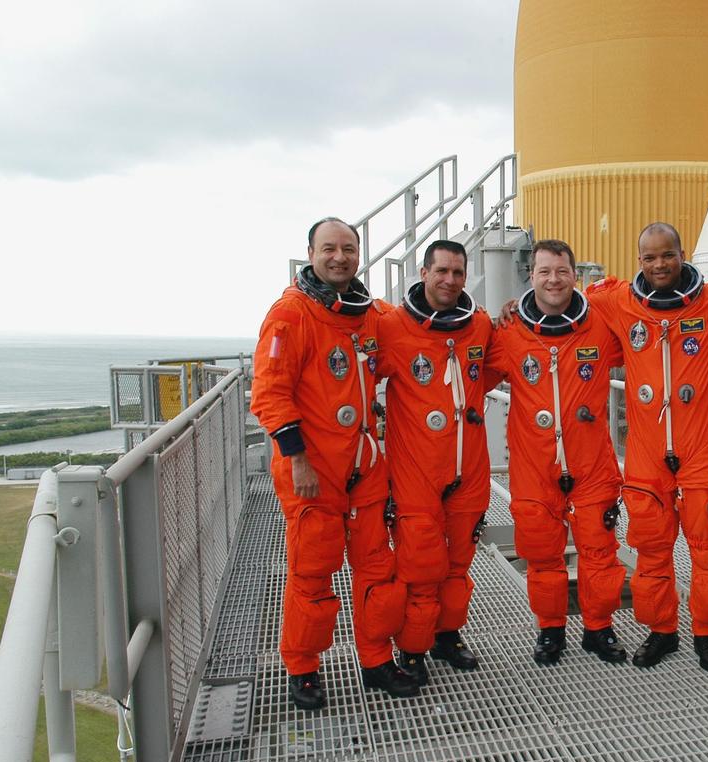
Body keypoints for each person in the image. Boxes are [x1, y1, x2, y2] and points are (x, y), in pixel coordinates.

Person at [251, 217, 417, 710]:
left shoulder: (368, 316)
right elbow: (269, 392)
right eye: (330, 248)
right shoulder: (290, 315)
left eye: (348, 248)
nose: (339, 257)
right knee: (312, 571)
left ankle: (375, 659)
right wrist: (296, 458)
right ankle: (302, 668)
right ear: (311, 252)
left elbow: (416, 331)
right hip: (312, 469)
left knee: (376, 568)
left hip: (364, 466)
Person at [584, 223, 708, 671]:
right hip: (648, 452)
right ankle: (662, 630)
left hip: (703, 448)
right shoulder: (619, 303)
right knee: (651, 548)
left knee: (707, 549)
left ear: (682, 254)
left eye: (667, 255)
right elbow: (563, 302)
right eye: (649, 258)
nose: (659, 265)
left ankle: (706, 633)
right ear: (639, 262)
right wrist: (515, 307)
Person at [487, 239, 629, 665]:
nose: (553, 280)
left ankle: (599, 628)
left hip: (591, 464)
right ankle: (551, 630)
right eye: (544, 271)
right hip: (534, 467)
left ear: (574, 275)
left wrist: (601, 291)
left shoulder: (600, 323)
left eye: (562, 271)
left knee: (599, 552)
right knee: (543, 554)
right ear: (531, 276)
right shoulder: (510, 331)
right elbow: (474, 374)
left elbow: (635, 297)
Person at [375, 239, 492, 683]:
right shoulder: (394, 327)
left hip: (468, 468)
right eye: (440, 271)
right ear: (423, 273)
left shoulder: (479, 326)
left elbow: (493, 369)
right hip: (416, 471)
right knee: (421, 566)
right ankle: (412, 647)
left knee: (459, 562)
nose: (449, 280)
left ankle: (447, 635)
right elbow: (360, 374)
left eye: (457, 273)